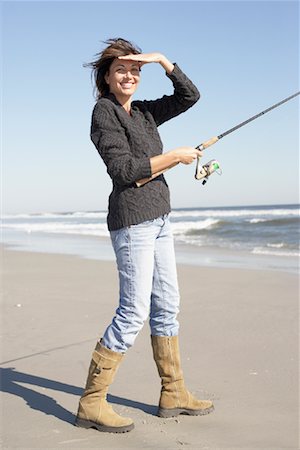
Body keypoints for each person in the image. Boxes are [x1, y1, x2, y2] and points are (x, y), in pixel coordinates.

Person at [75, 38, 214, 434]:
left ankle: (173, 392)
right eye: (121, 69)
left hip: (160, 218)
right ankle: (92, 403)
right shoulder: (103, 113)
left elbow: (190, 95)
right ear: (106, 76)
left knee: (167, 304)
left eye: (135, 70)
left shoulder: (145, 113)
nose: (130, 75)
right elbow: (124, 171)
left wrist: (162, 60)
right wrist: (175, 157)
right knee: (133, 311)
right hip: (132, 220)